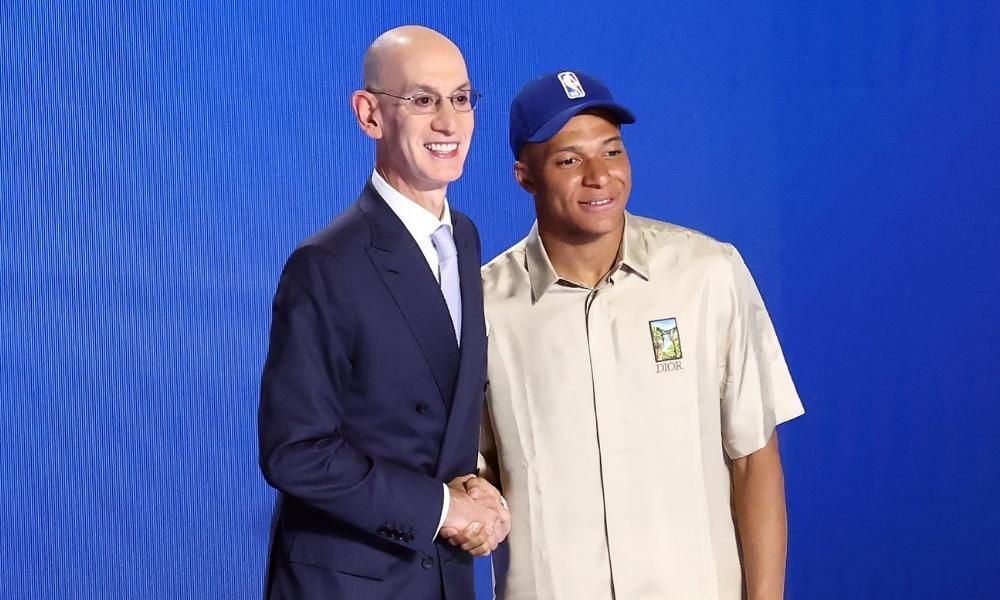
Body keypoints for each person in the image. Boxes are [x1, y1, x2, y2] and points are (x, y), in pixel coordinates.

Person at [477, 70, 805, 599]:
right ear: (525, 176)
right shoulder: (483, 307)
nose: (599, 176)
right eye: (569, 159)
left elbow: (753, 457)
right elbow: (472, 475)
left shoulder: (707, 272)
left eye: (611, 152)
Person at [258, 26, 509, 600]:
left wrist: (474, 482)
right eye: (422, 100)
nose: (449, 122)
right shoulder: (325, 264)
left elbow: (431, 411)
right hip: (352, 583)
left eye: (461, 98)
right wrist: (444, 509)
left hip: (442, 578)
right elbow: (294, 452)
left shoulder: (463, 238)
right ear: (370, 115)